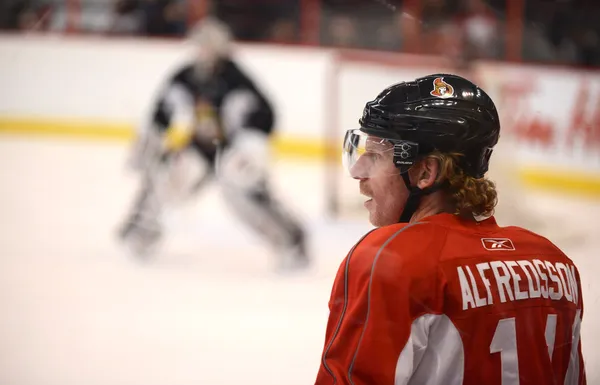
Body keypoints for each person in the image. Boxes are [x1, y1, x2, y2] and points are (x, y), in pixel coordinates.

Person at [315, 74, 586, 384]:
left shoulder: (390, 260)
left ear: (425, 171)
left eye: (376, 155)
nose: (359, 173)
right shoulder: (555, 264)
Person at [118, 17, 308, 271]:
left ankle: (291, 242)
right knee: (167, 176)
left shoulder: (235, 79)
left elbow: (262, 114)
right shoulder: (186, 76)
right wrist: (149, 141)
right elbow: (162, 110)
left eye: (208, 47)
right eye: (199, 46)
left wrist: (250, 145)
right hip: (198, 147)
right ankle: (142, 231)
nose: (202, 53)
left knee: (244, 197)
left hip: (231, 150)